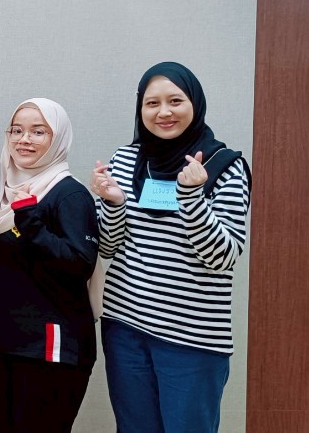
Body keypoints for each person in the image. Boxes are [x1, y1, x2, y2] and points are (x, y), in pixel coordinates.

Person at [90, 62, 252, 433]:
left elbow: (222, 257)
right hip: (125, 327)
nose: (164, 112)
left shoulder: (224, 166)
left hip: (192, 337)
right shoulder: (126, 159)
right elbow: (108, 247)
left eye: (175, 101)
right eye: (152, 103)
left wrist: (192, 197)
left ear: (195, 102)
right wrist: (113, 204)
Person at [0, 99, 98, 432]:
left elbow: (79, 264)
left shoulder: (69, 195)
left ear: (57, 138)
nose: (24, 139)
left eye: (38, 132)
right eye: (16, 130)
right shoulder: (0, 193)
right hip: (2, 345)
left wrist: (30, 220)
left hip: (51, 349)